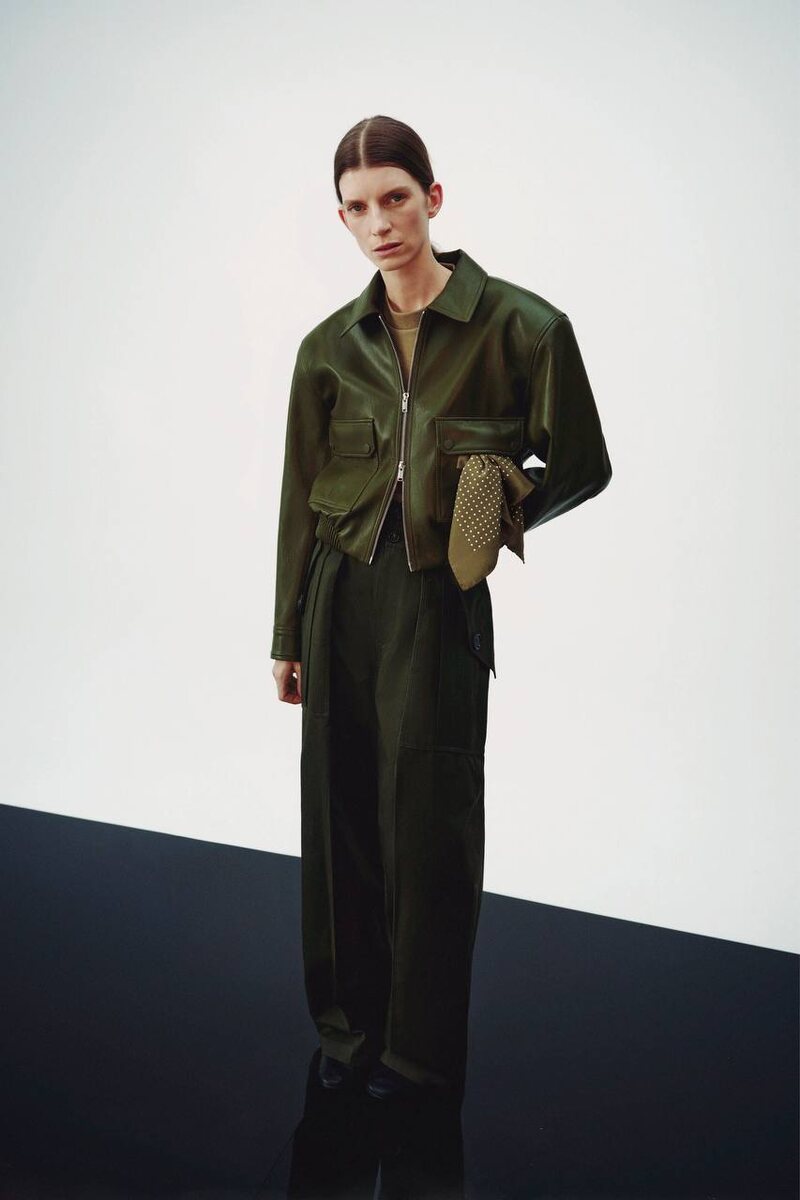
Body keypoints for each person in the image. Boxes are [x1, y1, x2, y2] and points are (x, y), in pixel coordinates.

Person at [271, 115, 612, 1101]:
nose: (381, 223)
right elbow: (299, 498)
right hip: (340, 591)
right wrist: (288, 632)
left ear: (433, 197)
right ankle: (345, 1032)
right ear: (341, 218)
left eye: (396, 198)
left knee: (429, 825)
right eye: (359, 207)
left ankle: (418, 1053)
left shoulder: (524, 327)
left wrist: (501, 509)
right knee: (338, 812)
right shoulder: (327, 349)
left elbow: (584, 461)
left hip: (438, 596)